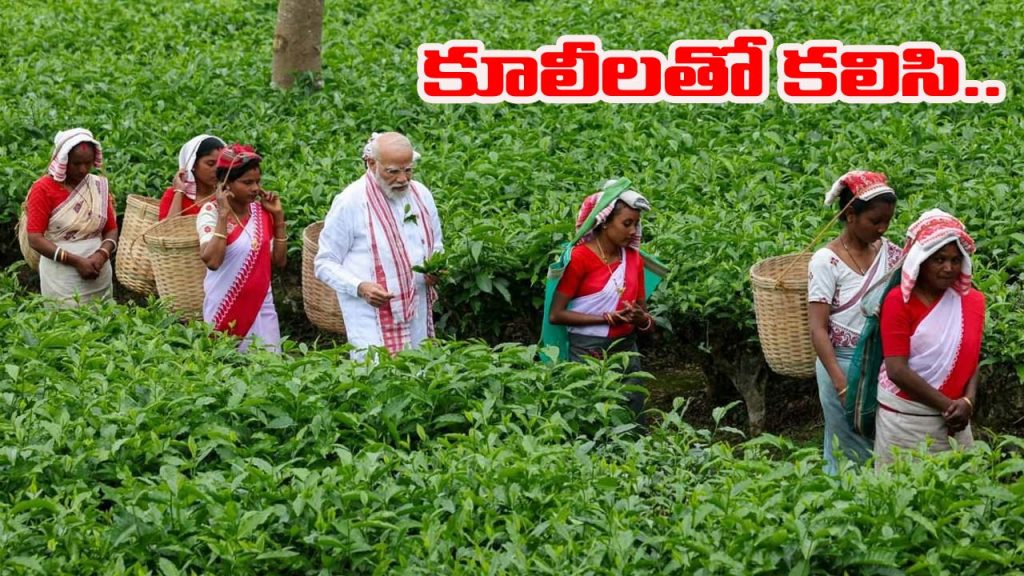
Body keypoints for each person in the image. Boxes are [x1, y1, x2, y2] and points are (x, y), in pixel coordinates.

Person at [315, 132, 443, 360]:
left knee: (418, 370)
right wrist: (360, 286)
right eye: (393, 171)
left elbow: (436, 243)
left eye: (408, 169)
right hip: (370, 315)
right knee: (376, 375)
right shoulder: (350, 202)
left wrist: (436, 266)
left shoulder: (421, 195)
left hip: (416, 307)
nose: (403, 179)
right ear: (372, 163)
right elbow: (325, 262)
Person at [807, 170, 900, 473]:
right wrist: (840, 382)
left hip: (881, 364)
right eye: (875, 222)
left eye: (888, 221)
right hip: (841, 364)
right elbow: (818, 328)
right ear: (850, 215)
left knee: (878, 440)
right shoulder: (826, 260)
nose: (883, 229)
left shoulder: (888, 252)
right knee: (848, 440)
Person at [874, 209, 984, 467]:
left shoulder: (972, 302)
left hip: (957, 419)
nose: (948, 268)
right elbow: (896, 370)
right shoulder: (898, 303)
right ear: (920, 261)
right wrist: (949, 407)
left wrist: (967, 401)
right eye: (939, 260)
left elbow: (971, 358)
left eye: (956, 260)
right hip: (907, 420)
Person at [545, 178, 657, 422]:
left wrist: (641, 319)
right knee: (591, 414)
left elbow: (646, 319)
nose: (632, 231)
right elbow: (556, 314)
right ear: (605, 223)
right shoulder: (580, 258)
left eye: (636, 224)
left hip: (626, 349)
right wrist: (605, 318)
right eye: (626, 223)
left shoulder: (634, 260)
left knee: (631, 413)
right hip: (587, 351)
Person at [196, 144, 287, 352]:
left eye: (257, 182)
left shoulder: (261, 212)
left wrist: (278, 217)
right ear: (225, 184)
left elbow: (279, 262)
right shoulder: (209, 212)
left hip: (262, 307)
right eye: (247, 183)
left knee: (271, 367)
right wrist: (223, 214)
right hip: (226, 308)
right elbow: (212, 261)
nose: (255, 188)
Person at [25, 128, 119, 306]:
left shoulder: (97, 186)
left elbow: (111, 229)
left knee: (104, 323)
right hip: (61, 276)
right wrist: (76, 261)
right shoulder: (43, 189)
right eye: (76, 164)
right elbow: (35, 238)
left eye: (88, 163)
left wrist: (101, 254)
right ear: (64, 161)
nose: (83, 169)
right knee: (64, 323)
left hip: (98, 271)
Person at [158, 134, 226, 220]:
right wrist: (179, 193)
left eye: (221, 165)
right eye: (210, 164)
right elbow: (166, 229)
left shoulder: (225, 196)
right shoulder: (173, 194)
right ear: (192, 164)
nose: (217, 170)